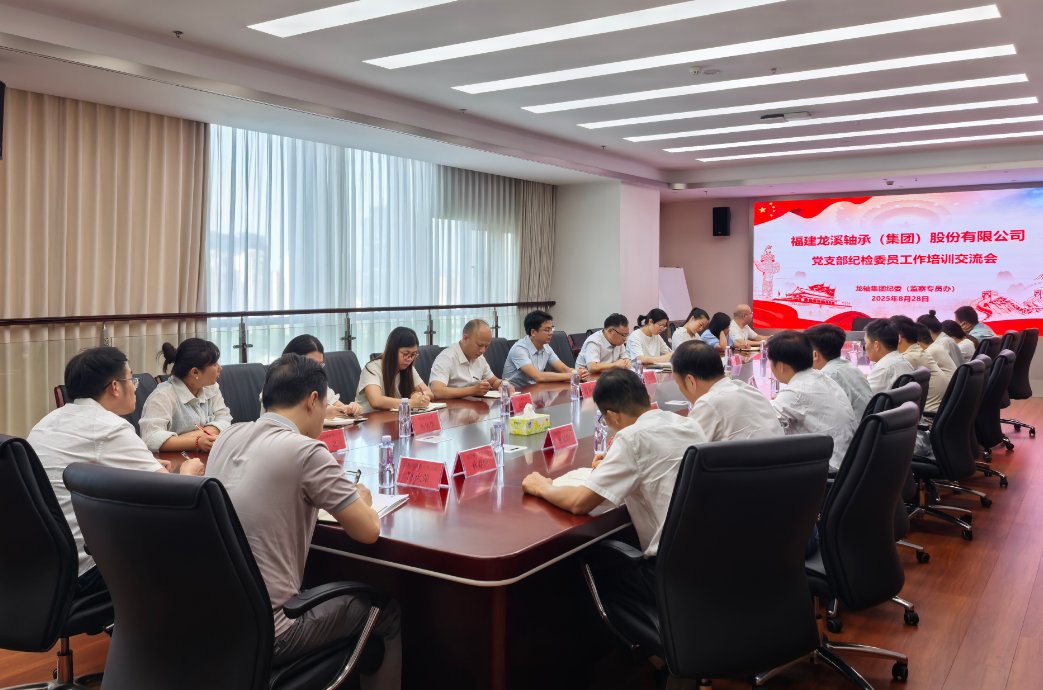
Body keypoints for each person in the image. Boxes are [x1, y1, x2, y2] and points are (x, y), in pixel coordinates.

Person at [206, 354, 401, 689]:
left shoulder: (226, 437)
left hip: (213, 621)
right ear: (313, 400)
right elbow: (368, 531)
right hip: (273, 631)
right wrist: (363, 501)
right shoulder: (306, 451)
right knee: (387, 611)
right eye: (325, 405)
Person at [521, 369, 708, 645]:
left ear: (613, 415)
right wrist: (615, 462)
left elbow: (579, 503)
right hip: (711, 563)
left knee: (588, 577)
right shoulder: (688, 425)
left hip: (672, 576)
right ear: (646, 398)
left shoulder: (631, 438)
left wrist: (542, 487)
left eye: (604, 420)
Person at [27, 347, 204, 598]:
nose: (135, 387)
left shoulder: (46, 422)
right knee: (193, 538)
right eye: (131, 379)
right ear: (115, 387)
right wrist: (188, 472)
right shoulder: (110, 427)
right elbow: (175, 498)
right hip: (86, 569)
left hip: (41, 564)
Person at [767, 331, 857, 471]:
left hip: (826, 470)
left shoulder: (796, 392)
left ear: (780, 365)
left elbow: (765, 422)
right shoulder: (824, 378)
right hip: (846, 463)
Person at [672, 341, 783, 441]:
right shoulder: (750, 390)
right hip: (781, 456)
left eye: (678, 384)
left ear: (690, 381)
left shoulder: (709, 403)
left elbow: (687, 448)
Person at [139, 338, 232, 453]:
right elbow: (151, 439)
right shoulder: (163, 396)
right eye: (214, 364)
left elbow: (225, 421)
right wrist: (197, 442)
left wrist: (182, 439)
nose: (220, 368)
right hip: (173, 461)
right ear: (195, 372)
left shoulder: (210, 387)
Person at [272, 335, 363, 417]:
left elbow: (335, 403)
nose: (318, 369)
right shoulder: (279, 384)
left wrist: (348, 409)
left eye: (320, 364)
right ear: (293, 362)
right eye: (313, 363)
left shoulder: (315, 381)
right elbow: (285, 418)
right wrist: (322, 414)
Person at [428, 319, 513, 399]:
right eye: (480, 345)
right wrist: (473, 390)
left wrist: (502, 383)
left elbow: (493, 381)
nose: (483, 350)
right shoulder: (446, 357)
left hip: (474, 406)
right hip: (451, 407)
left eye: (486, 346)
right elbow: (437, 391)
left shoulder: (480, 358)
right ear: (465, 338)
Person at [502, 310, 588, 387]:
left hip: (536, 390)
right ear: (533, 332)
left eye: (551, 329)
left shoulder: (546, 347)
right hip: (516, 393)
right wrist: (573, 376)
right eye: (547, 330)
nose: (551, 333)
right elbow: (538, 376)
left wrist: (580, 373)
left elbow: (565, 369)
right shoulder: (519, 349)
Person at [356, 327, 432, 413]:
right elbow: (376, 401)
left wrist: (417, 395)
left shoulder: (408, 369)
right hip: (369, 419)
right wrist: (412, 403)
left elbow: (429, 392)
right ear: (392, 351)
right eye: (406, 354)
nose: (410, 359)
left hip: (393, 418)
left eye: (413, 355)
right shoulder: (372, 368)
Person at [805, 323, 873, 419]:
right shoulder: (850, 366)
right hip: (865, 424)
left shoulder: (826, 376)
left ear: (815, 354)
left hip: (852, 427)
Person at [894, 319, 950, 414]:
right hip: (936, 413)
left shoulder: (907, 358)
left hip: (926, 417)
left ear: (898, 338)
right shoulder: (919, 353)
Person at [863, 319, 914, 394]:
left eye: (866, 342)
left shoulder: (883, 368)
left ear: (877, 345)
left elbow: (864, 397)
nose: (865, 347)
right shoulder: (903, 361)